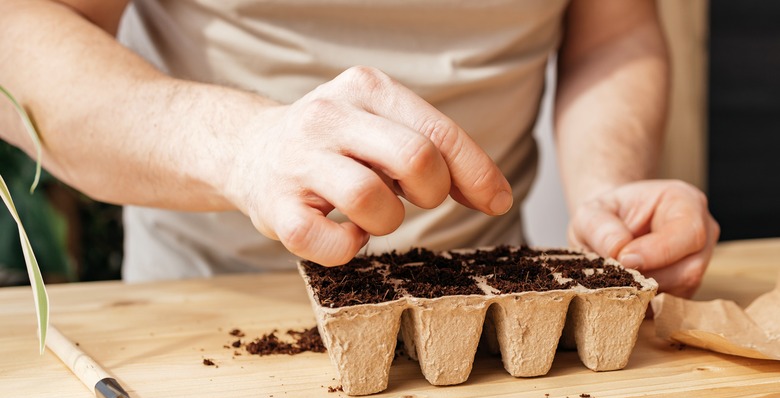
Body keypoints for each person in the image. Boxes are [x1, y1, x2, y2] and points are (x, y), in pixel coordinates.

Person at [0, 0, 718, 299]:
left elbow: (614, 33)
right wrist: (245, 147)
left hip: (481, 308)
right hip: (207, 303)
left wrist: (607, 190)